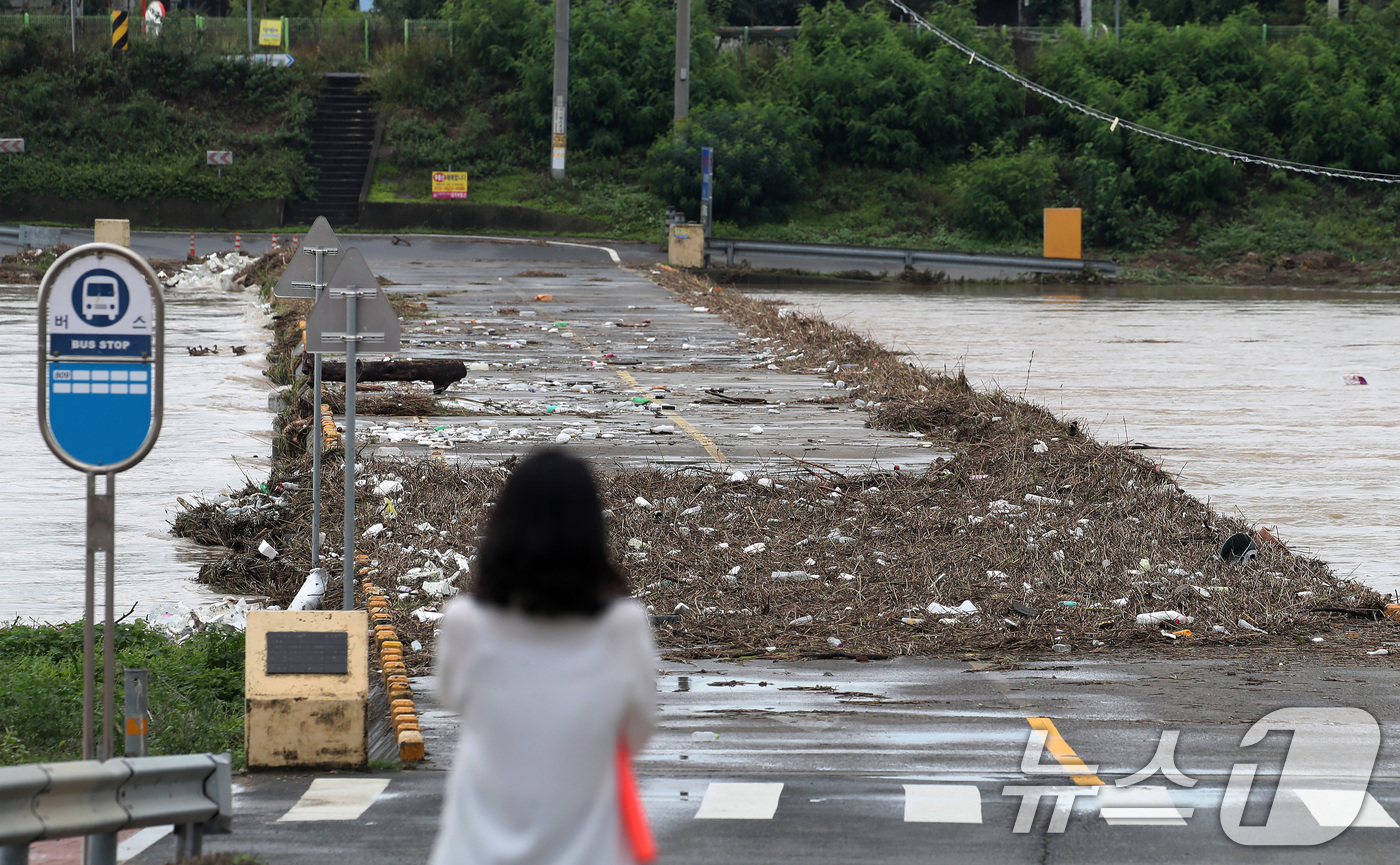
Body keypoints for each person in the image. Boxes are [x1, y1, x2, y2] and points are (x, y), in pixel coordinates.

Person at [431, 450, 657, 865]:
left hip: (474, 851)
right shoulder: (624, 627)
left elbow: (451, 697)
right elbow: (637, 731)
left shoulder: (466, 623)